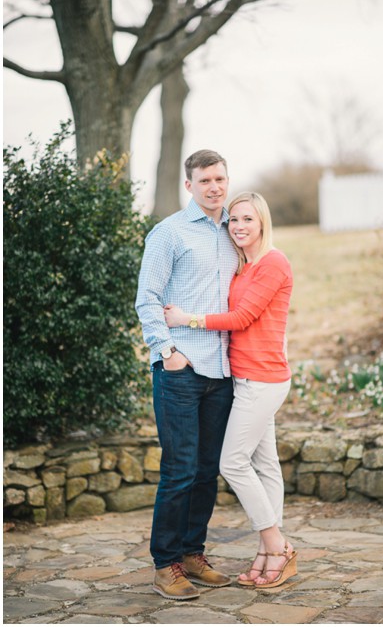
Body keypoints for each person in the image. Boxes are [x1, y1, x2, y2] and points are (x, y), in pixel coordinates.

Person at [164, 191, 296, 589]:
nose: (239, 227)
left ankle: (278, 545)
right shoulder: (243, 265)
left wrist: (188, 319)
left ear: (262, 224)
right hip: (244, 377)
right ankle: (266, 552)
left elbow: (241, 317)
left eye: (247, 220)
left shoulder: (274, 263)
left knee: (233, 463)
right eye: (234, 220)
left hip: (263, 379)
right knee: (266, 464)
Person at [136, 149, 238, 600]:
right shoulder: (169, 233)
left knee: (206, 470)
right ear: (189, 185)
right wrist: (167, 352)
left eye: (220, 178)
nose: (214, 187)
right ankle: (166, 564)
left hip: (222, 371)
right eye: (205, 180)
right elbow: (148, 299)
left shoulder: (234, 230)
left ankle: (193, 553)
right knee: (178, 470)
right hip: (181, 369)